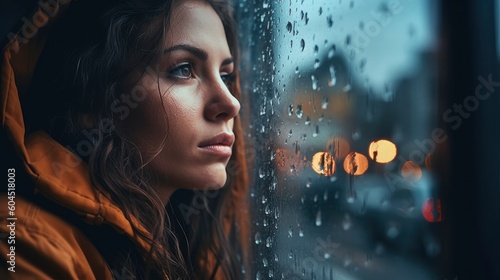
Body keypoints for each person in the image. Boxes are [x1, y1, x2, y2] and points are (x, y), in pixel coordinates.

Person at [0, 0, 251, 279]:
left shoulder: (190, 251)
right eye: (182, 69)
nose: (231, 104)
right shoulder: (26, 245)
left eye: (226, 76)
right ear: (92, 100)